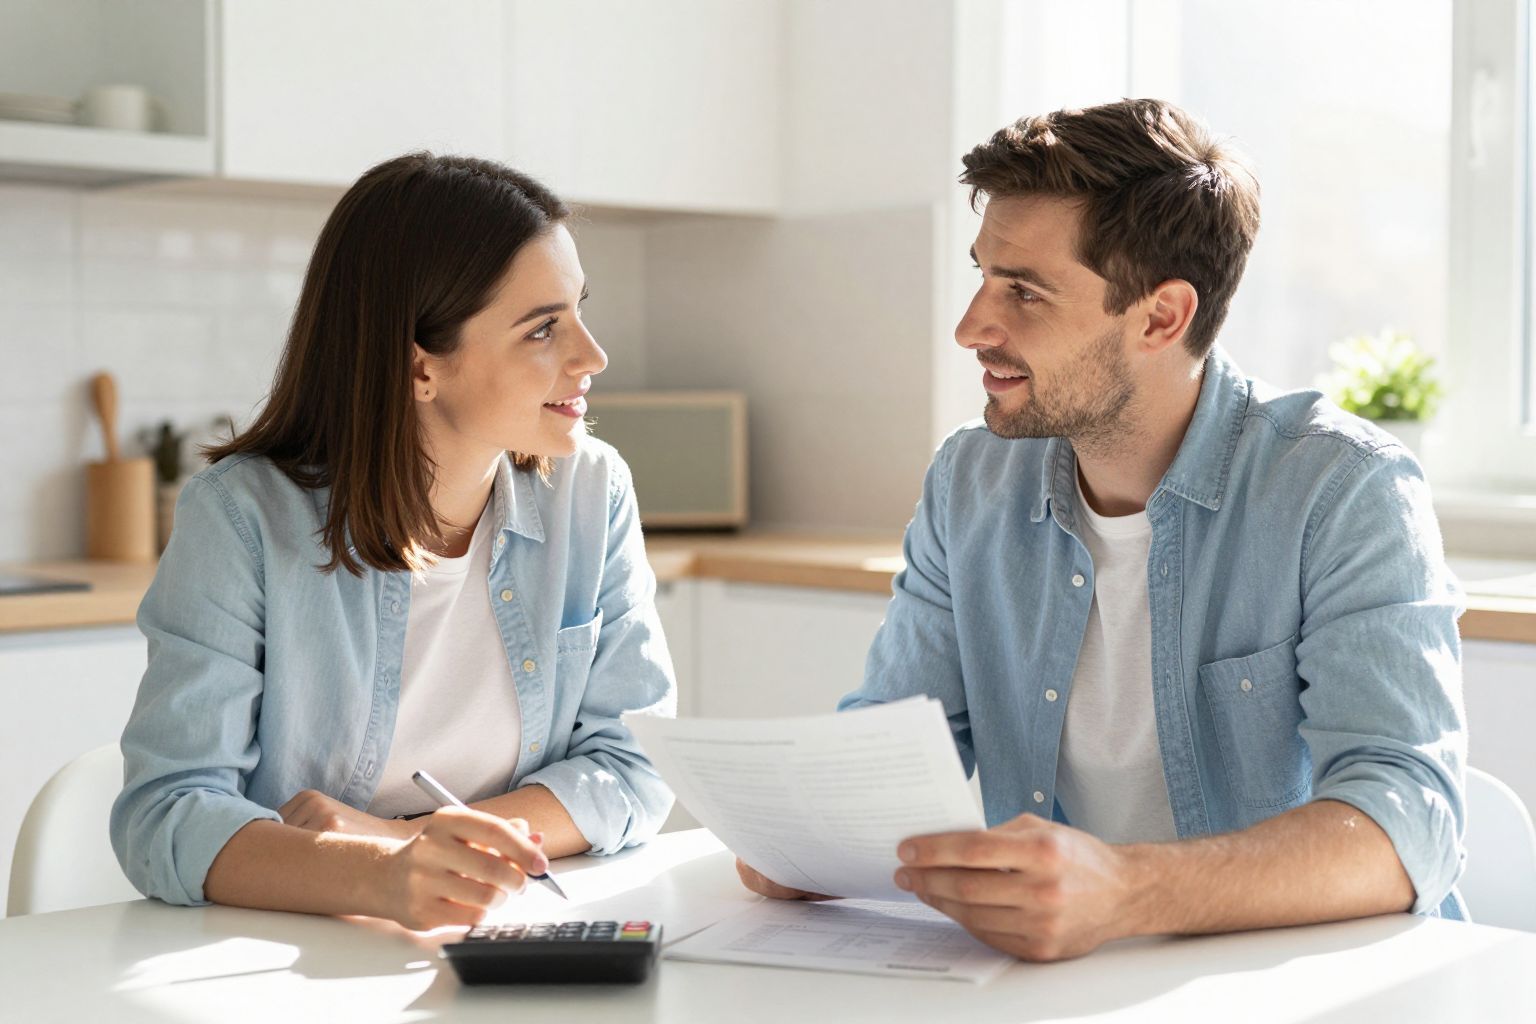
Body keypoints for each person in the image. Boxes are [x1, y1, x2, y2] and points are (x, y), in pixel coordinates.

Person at [736, 99, 1466, 961]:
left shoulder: (1343, 490)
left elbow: (1408, 818)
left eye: (1024, 291)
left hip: (1294, 988)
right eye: (981, 276)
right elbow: (893, 747)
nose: (972, 326)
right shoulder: (970, 482)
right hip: (1060, 986)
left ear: (1160, 317)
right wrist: (806, 830)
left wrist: (1126, 892)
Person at [111, 153, 676, 931]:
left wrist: (401, 845)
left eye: (578, 310)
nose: (592, 356)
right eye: (544, 328)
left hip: (507, 928)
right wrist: (376, 878)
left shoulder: (590, 492)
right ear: (419, 367)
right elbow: (166, 814)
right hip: (281, 953)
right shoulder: (242, 516)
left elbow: (635, 767)